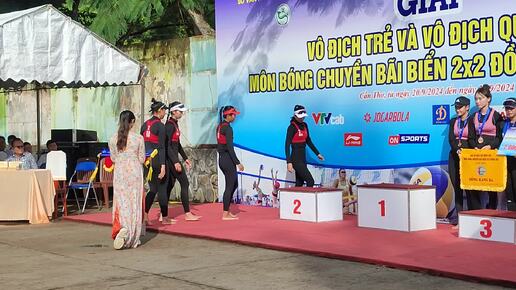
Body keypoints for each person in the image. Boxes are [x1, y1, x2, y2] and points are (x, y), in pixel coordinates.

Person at [109, 110, 145, 250]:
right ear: (132, 122)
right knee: (134, 202)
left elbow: (113, 158)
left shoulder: (113, 139)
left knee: (122, 202)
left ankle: (123, 227)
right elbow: (142, 158)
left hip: (120, 172)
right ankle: (132, 235)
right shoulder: (138, 138)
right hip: (135, 172)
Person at [165, 101, 201, 221]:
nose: (182, 113)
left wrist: (185, 158)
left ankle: (162, 214)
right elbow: (168, 146)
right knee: (184, 183)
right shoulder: (169, 125)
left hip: (173, 158)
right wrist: (175, 162)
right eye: (180, 111)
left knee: (169, 186)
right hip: (170, 160)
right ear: (174, 112)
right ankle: (187, 214)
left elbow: (177, 144)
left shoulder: (175, 124)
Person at [470, 84, 504, 210]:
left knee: (491, 185)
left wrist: (490, 146)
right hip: (478, 155)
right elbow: (471, 137)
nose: (477, 101)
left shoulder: (496, 116)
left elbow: (500, 137)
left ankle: (492, 211)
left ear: (488, 99)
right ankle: (477, 212)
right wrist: (475, 147)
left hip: (491, 155)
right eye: (476, 99)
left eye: (480, 98)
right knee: (476, 184)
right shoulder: (474, 116)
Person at [141, 98, 172, 225]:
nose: (165, 113)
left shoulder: (144, 125)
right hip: (158, 160)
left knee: (152, 189)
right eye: (164, 110)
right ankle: (164, 218)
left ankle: (145, 215)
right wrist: (163, 166)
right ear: (159, 111)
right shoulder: (160, 126)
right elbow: (161, 147)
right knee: (162, 188)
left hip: (147, 161)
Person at [448, 96, 475, 225]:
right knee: (457, 188)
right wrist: (457, 150)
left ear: (467, 107)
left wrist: (465, 151)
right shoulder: (453, 121)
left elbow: (472, 138)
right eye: (456, 107)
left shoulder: (472, 121)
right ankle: (459, 220)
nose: (457, 109)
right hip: (454, 156)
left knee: (469, 189)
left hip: (468, 158)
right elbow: (451, 139)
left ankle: (471, 218)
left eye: (460, 107)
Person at [285, 105, 324, 187]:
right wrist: (289, 162)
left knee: (300, 183)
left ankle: (296, 199)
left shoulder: (305, 125)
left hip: (303, 158)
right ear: (295, 115)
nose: (302, 118)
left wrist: (317, 154)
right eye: (300, 116)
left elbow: (308, 141)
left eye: (303, 116)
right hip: (295, 159)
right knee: (310, 181)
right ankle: (308, 199)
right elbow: (287, 145)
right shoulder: (291, 127)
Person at [217, 106, 244, 220]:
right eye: (233, 114)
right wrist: (237, 162)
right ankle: (225, 213)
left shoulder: (220, 126)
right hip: (227, 159)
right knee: (229, 186)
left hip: (223, 159)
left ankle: (227, 210)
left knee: (234, 184)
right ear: (228, 115)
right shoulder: (227, 128)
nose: (235, 116)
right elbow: (230, 147)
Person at [503, 98, 516, 211]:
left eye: (511, 108)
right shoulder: (503, 123)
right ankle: (511, 216)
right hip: (506, 161)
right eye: (507, 108)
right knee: (509, 191)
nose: (509, 111)